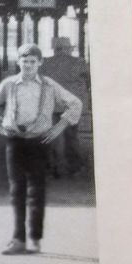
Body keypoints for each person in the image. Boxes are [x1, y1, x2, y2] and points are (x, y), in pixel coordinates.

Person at [0, 43, 83, 255]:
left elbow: (75, 103)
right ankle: (18, 239)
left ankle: (35, 238)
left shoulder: (48, 85)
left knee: (37, 189)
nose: (28, 66)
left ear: (40, 63)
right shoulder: (9, 84)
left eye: (32, 62)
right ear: (18, 62)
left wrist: (59, 127)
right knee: (16, 189)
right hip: (15, 140)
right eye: (24, 61)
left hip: (40, 141)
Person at [38, 35, 92, 176]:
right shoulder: (79, 63)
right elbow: (90, 80)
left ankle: (52, 166)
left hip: (52, 104)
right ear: (67, 49)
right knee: (71, 135)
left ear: (55, 49)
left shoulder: (45, 64)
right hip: (71, 105)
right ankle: (74, 167)